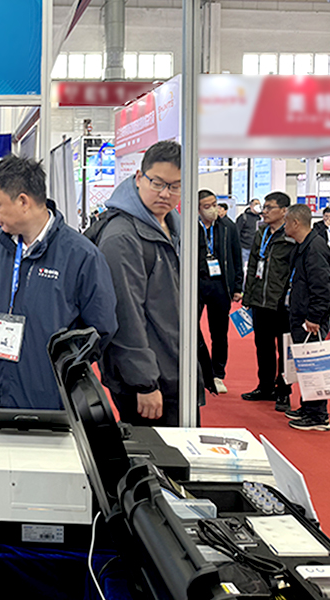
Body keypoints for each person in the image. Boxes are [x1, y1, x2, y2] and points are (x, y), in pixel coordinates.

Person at [0, 156, 117, 409]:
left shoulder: (81, 255)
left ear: (23, 201)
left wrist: (60, 369)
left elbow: (100, 329)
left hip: (51, 399)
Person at [95, 140, 202, 426]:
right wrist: (144, 382)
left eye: (175, 186)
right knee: (159, 452)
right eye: (157, 183)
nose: (165, 193)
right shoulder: (123, 236)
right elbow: (125, 314)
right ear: (139, 177)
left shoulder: (173, 225)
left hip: (174, 366)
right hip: (150, 380)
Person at [282, 204, 330, 431]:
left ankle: (318, 416)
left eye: (286, 221)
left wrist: (314, 316)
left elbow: (322, 286)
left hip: (310, 319)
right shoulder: (304, 246)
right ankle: (308, 407)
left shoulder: (314, 248)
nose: (284, 226)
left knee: (314, 364)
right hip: (301, 314)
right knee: (305, 365)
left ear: (296, 223)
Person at [242, 192, 296, 411]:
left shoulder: (291, 235)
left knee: (284, 350)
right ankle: (265, 387)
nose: (264, 211)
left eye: (269, 207)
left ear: (283, 211)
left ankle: (283, 391)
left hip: (282, 303)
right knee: (263, 348)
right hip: (259, 301)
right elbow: (253, 265)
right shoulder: (261, 232)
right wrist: (248, 295)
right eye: (263, 207)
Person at [196, 190, 243, 394]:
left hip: (220, 285)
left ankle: (218, 374)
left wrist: (238, 286)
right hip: (197, 284)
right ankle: (199, 370)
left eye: (214, 204)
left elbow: (236, 256)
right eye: (207, 206)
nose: (213, 209)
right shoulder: (189, 226)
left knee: (219, 333)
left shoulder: (227, 227)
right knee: (191, 330)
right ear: (197, 208)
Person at [237, 198, 263, 268]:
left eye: (259, 204)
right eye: (256, 204)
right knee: (244, 268)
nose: (258, 206)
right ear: (251, 206)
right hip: (244, 248)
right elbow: (237, 232)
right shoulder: (243, 217)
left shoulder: (260, 219)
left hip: (257, 249)